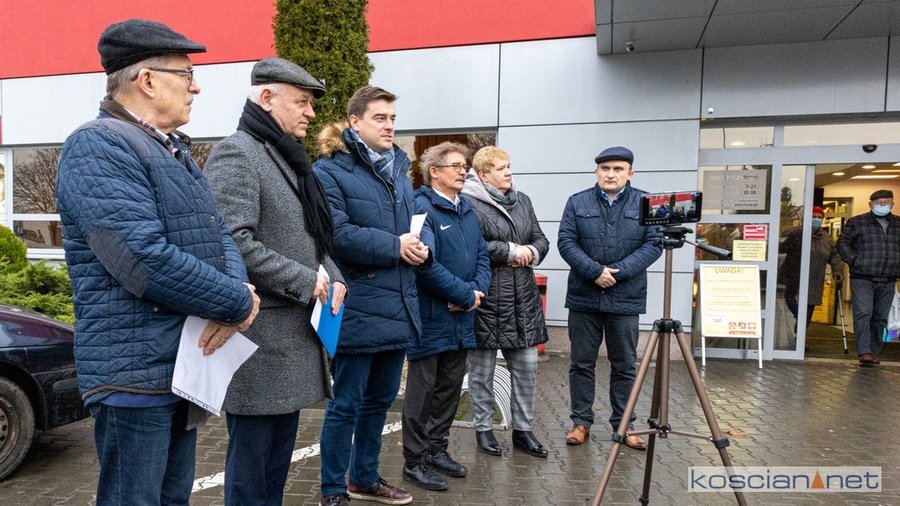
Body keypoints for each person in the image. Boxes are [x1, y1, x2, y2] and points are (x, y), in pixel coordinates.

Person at [55, 19, 260, 505]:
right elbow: (141, 259)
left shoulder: (174, 152)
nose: (197, 84)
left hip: (178, 369)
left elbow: (219, 235)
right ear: (147, 80)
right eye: (185, 73)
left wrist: (241, 296)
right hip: (134, 376)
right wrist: (236, 301)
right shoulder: (98, 145)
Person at [205, 57, 347, 506]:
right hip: (260, 341)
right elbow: (231, 240)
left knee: (275, 467)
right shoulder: (237, 152)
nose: (310, 112)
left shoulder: (284, 155)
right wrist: (307, 280)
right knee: (251, 472)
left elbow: (312, 234)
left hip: (290, 341)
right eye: (301, 102)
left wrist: (334, 276)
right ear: (266, 98)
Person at [313, 86, 424, 506]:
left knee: (379, 401)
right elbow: (336, 236)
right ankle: (331, 488)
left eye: (393, 118)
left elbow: (413, 222)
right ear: (354, 122)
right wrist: (396, 246)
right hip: (356, 305)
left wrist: (418, 242)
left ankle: (364, 479)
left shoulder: (398, 167)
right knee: (346, 404)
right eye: (380, 118)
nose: (390, 125)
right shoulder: (330, 171)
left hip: (397, 305)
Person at [557, 146, 662, 450]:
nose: (611, 174)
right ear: (596, 172)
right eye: (605, 168)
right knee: (581, 364)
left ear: (630, 173)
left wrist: (618, 272)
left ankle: (625, 424)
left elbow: (653, 244)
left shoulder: (646, 203)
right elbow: (566, 241)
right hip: (584, 297)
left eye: (618, 169)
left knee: (625, 365)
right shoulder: (577, 202)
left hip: (625, 297)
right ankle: (580, 423)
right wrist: (593, 272)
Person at [401, 142, 491, 491]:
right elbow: (425, 264)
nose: (463, 170)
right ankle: (414, 460)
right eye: (454, 165)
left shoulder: (466, 208)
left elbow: (482, 256)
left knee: (450, 390)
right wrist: (463, 294)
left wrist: (475, 293)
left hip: (462, 318)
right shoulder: (421, 207)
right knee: (421, 394)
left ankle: (437, 450)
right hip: (430, 318)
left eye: (464, 165)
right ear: (434, 171)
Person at [460, 146, 550, 459]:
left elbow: (540, 238)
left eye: (509, 166)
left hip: (523, 299)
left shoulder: (522, 200)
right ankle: (484, 430)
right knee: (482, 373)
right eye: (501, 168)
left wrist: (532, 252)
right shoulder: (468, 202)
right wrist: (510, 251)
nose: (509, 172)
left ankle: (523, 431)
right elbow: (472, 245)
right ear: (483, 175)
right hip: (488, 299)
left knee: (527, 368)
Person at [837, 189, 900, 367]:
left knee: (880, 317)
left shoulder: (898, 224)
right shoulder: (857, 222)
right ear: (871, 204)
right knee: (863, 312)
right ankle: (864, 351)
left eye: (886, 202)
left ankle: (874, 350)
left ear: (892, 204)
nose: (883, 206)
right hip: (862, 277)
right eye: (879, 203)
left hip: (888, 278)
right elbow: (842, 243)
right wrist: (856, 261)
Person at [779, 206, 844, 333]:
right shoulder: (796, 234)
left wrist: (838, 271)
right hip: (794, 275)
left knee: (808, 309)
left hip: (814, 277)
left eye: (819, 217)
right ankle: (799, 319)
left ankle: (799, 338)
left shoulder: (826, 238)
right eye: (814, 216)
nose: (816, 219)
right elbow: (781, 248)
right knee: (791, 299)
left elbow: (835, 256)